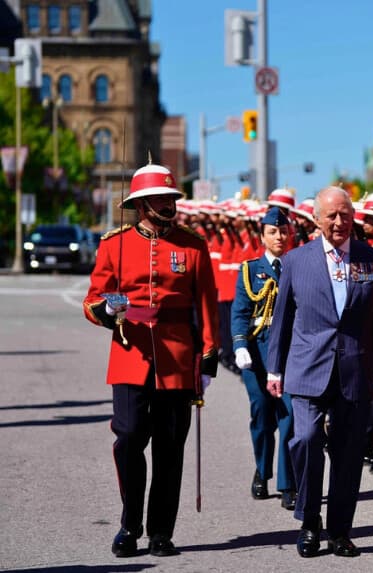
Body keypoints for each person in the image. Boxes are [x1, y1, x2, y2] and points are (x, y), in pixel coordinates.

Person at [82, 162, 219, 558]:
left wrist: (209, 353)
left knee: (170, 447)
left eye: (172, 197)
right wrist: (107, 312)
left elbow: (207, 303)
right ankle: (130, 523)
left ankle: (161, 530)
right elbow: (93, 299)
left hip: (177, 358)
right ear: (141, 205)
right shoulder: (114, 244)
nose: (169, 204)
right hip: (131, 351)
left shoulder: (193, 245)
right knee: (128, 437)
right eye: (160, 198)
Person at [265, 186, 373, 559]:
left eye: (345, 215)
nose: (339, 222)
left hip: (354, 367)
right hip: (307, 367)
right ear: (316, 220)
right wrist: (274, 368)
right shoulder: (296, 261)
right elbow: (282, 321)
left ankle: (339, 531)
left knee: (349, 453)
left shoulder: (372, 260)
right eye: (332, 216)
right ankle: (308, 521)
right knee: (304, 440)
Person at [231, 207, 297, 510]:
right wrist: (240, 344)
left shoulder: (299, 266)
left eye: (283, 231)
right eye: (273, 232)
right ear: (263, 236)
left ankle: (288, 483)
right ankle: (262, 469)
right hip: (258, 352)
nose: (279, 237)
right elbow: (241, 311)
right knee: (261, 414)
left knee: (290, 416)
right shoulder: (249, 270)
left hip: (290, 351)